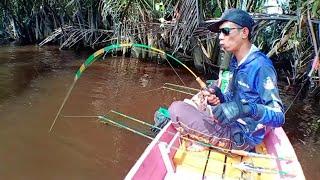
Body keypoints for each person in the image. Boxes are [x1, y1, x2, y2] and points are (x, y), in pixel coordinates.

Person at [168, 8, 285, 151]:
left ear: (244, 32)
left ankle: (209, 140)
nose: (220, 37)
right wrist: (217, 94)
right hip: (229, 122)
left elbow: (279, 117)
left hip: (242, 135)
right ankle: (207, 136)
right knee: (197, 100)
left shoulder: (260, 66)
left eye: (226, 31)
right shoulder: (236, 62)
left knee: (176, 109)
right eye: (220, 32)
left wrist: (246, 109)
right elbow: (232, 97)